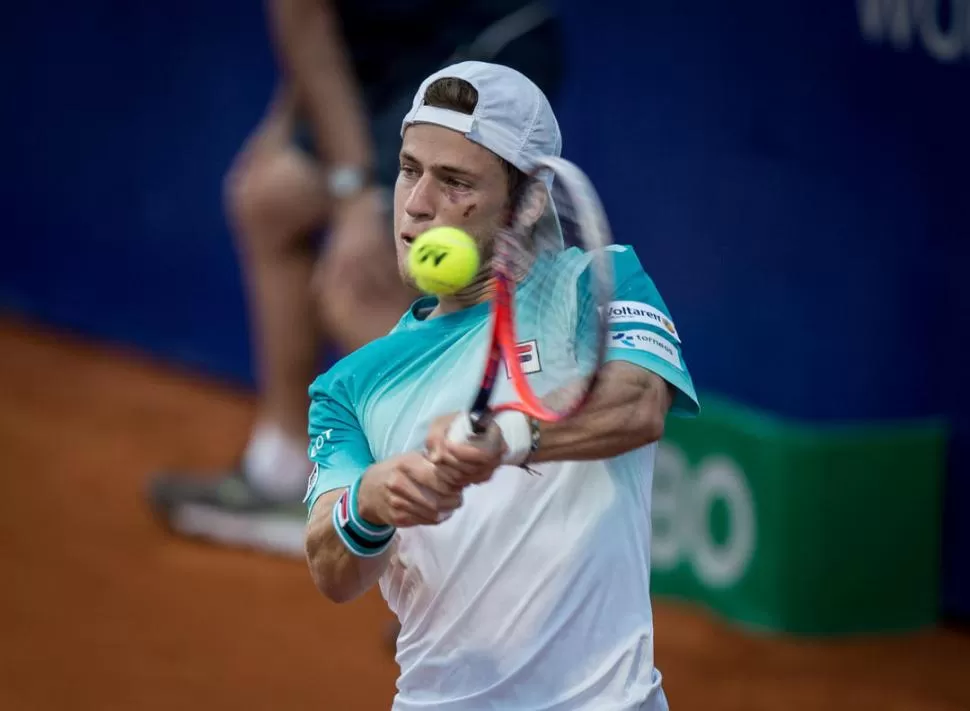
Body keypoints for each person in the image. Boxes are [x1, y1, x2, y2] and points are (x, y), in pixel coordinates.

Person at [304, 61, 699, 710]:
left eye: (455, 180)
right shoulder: (348, 387)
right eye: (409, 168)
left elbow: (639, 402)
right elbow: (330, 567)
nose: (418, 203)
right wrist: (371, 499)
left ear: (529, 199)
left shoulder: (596, 283)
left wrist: (509, 437)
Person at [148, 0, 563, 556]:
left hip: (483, 45)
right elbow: (309, 27)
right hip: (394, 59)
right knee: (266, 200)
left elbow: (307, 22)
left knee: (358, 282)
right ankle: (282, 469)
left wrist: (352, 198)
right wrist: (284, 127)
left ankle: (478, 538)